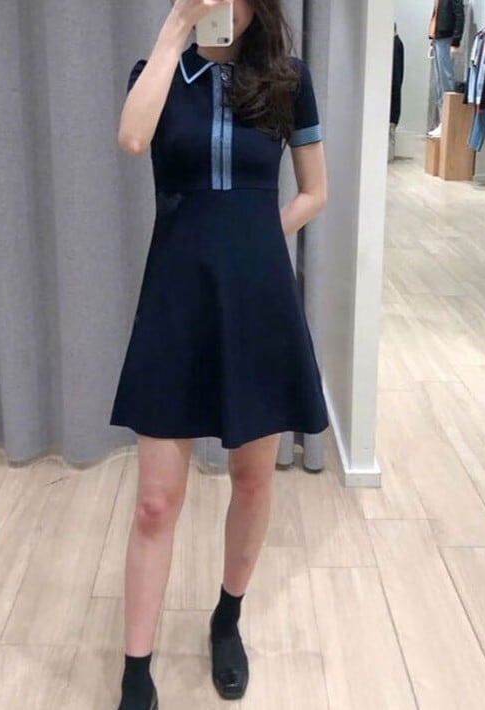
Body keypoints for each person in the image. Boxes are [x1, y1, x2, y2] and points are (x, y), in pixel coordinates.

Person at [110, 0, 329, 708]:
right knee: (154, 503)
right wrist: (175, 29)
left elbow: (315, 192)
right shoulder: (156, 72)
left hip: (258, 297)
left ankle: (226, 619)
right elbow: (132, 139)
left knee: (254, 479)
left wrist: (256, 239)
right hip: (176, 296)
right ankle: (136, 671)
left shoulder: (289, 79)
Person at [428, 0, 464, 137]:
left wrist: (456, 41)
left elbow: (459, 15)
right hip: (438, 37)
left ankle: (447, 121)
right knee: (439, 82)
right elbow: (436, 15)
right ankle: (443, 121)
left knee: (446, 80)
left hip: (445, 37)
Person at [390, 22, 405, 162]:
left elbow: (396, 75)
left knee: (390, 130)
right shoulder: (397, 44)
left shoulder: (395, 45)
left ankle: (388, 157)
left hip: (392, 98)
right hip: (393, 97)